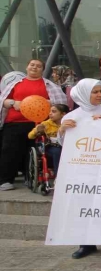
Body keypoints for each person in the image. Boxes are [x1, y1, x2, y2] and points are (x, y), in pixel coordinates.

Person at [59, 79, 101, 259]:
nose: (98, 95)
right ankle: (86, 243)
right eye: (94, 92)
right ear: (83, 93)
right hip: (81, 170)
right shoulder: (72, 116)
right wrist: (62, 130)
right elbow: (65, 146)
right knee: (83, 206)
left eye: (99, 91)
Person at [0, 60, 67, 191]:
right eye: (32, 65)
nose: (35, 67)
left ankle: (29, 177)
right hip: (15, 122)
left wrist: (47, 102)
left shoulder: (49, 86)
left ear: (42, 69)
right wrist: (13, 102)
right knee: (9, 151)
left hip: (39, 124)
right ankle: (5, 180)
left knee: (34, 150)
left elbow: (60, 103)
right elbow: (3, 100)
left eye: (38, 66)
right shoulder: (15, 84)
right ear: (27, 67)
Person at [28, 103, 68, 175]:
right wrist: (38, 131)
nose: (50, 114)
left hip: (66, 146)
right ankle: (58, 175)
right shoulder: (46, 124)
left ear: (63, 114)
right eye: (50, 111)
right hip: (50, 147)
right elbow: (30, 136)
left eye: (54, 111)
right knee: (57, 151)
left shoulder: (68, 124)